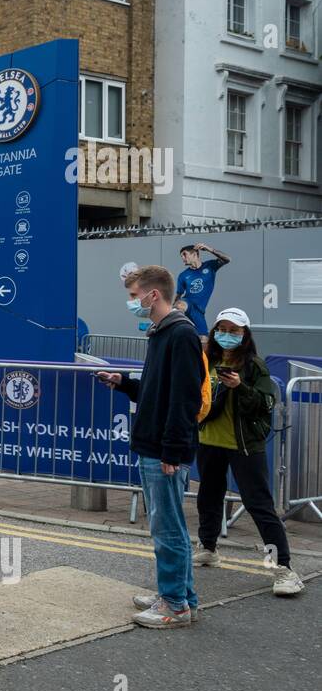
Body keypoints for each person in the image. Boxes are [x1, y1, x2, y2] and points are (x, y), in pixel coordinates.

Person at [97, 265, 205, 629]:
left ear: (153, 295)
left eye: (134, 296)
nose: (132, 303)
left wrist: (173, 451)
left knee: (166, 528)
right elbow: (158, 390)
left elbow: (184, 398)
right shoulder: (162, 333)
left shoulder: (180, 335)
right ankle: (180, 595)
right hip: (155, 444)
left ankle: (174, 605)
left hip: (163, 449)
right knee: (168, 524)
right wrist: (125, 383)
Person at [192, 308, 304, 596]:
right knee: (209, 496)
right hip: (209, 441)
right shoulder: (207, 360)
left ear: (245, 334)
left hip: (243, 445)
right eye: (223, 329)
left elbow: (265, 402)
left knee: (258, 505)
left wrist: (240, 387)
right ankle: (208, 547)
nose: (227, 335)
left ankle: (281, 568)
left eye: (234, 330)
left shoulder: (254, 365)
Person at [176, 242, 231, 340]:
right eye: (181, 256)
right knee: (180, 304)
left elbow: (227, 259)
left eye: (184, 254)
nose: (182, 258)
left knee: (204, 339)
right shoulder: (183, 275)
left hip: (199, 311)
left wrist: (209, 249)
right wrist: (171, 308)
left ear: (194, 254)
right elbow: (178, 296)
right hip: (187, 303)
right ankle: (171, 327)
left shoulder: (210, 266)